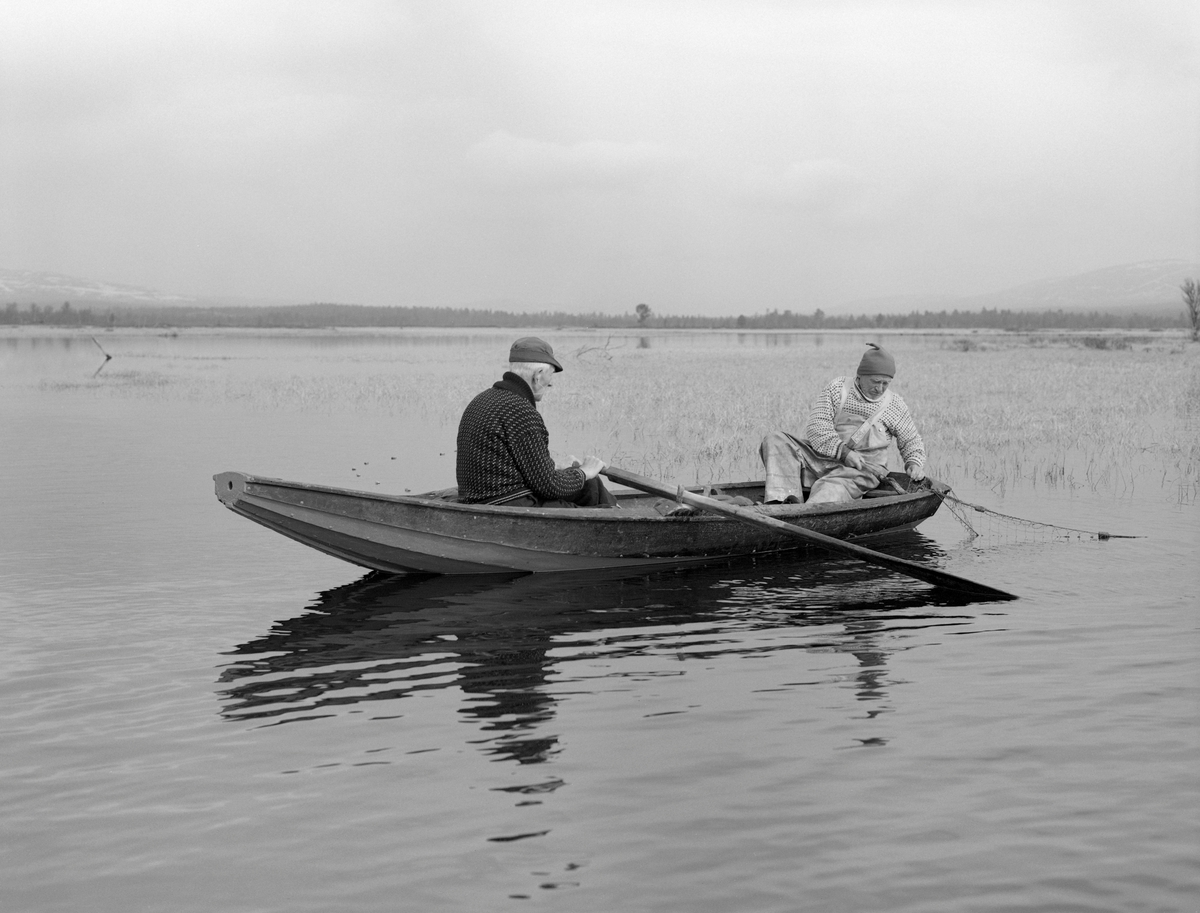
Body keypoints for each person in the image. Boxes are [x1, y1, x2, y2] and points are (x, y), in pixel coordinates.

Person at [456, 337, 616, 507]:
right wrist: (585, 471)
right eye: (550, 375)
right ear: (538, 376)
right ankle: (615, 517)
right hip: (509, 503)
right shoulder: (521, 410)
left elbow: (513, 466)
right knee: (592, 486)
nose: (551, 383)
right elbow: (549, 487)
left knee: (589, 485)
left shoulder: (483, 399)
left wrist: (555, 468)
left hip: (480, 498)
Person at [759, 342, 926, 505]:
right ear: (860, 376)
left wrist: (914, 463)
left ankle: (806, 511)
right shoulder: (838, 389)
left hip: (861, 472)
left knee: (827, 492)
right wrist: (844, 452)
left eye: (885, 383)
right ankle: (783, 502)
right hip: (823, 459)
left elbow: (911, 441)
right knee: (775, 440)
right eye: (875, 382)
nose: (880, 389)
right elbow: (817, 427)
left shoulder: (894, 404)